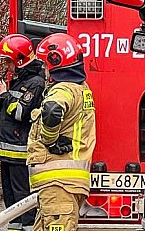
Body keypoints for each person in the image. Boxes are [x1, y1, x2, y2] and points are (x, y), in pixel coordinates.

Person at [27, 33, 96, 231]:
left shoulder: (63, 89)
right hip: (63, 185)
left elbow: (52, 110)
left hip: (58, 185)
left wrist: (49, 140)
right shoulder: (81, 89)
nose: (44, 69)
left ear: (55, 61)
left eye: (45, 64)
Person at [0, 34, 45, 231]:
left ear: (19, 60)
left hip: (20, 151)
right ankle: (15, 226)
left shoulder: (35, 83)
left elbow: (21, 113)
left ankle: (28, 227)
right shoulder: (19, 79)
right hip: (7, 150)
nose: (6, 65)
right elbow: (3, 109)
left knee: (23, 197)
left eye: (8, 61)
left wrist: (4, 93)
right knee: (10, 198)